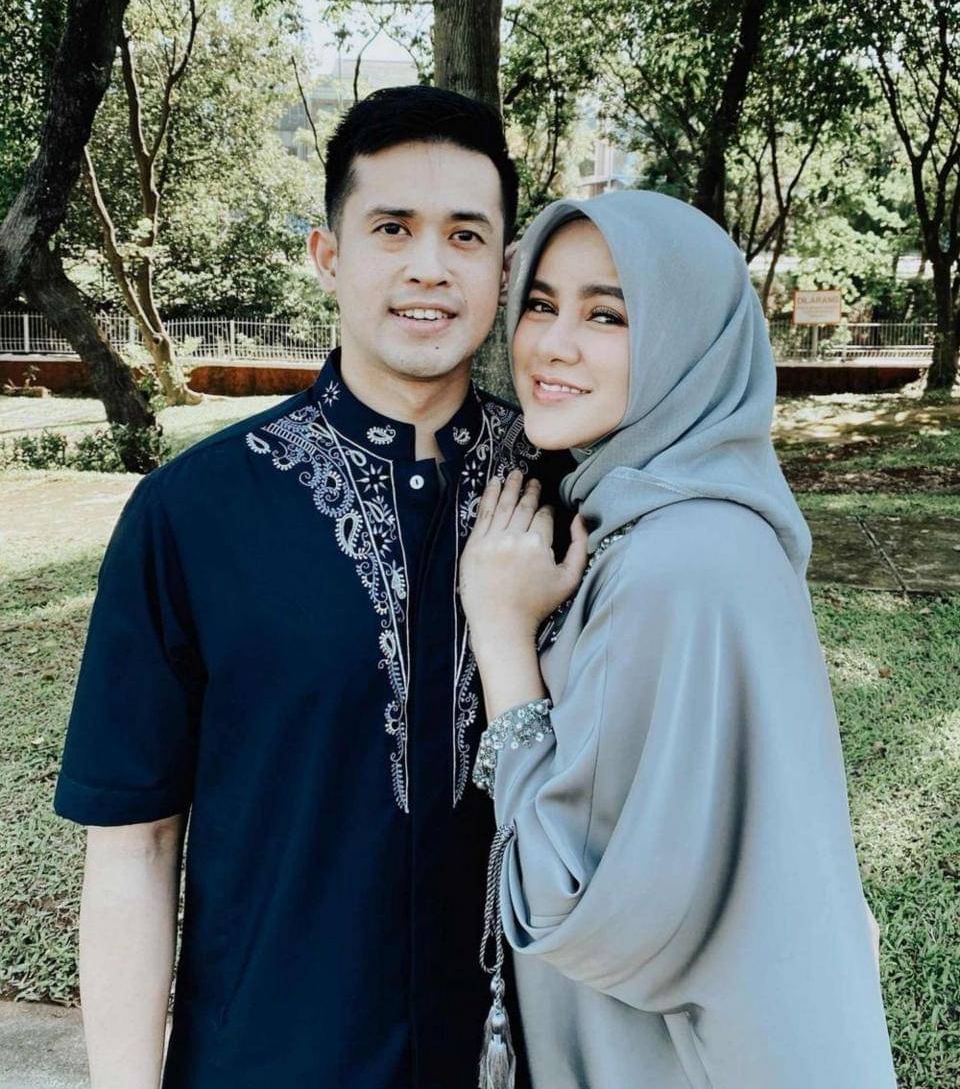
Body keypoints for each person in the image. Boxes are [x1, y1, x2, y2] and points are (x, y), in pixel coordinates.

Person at [52, 85, 569, 1088]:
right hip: (267, 1061)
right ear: (328, 256)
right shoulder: (192, 514)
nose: (430, 266)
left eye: (466, 236)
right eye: (392, 228)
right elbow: (134, 845)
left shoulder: (570, 498)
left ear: (505, 271)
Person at [459, 190, 898, 1088]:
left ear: (690, 342)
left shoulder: (676, 563)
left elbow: (563, 899)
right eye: (540, 303)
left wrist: (501, 636)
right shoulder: (708, 519)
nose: (553, 344)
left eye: (607, 315)